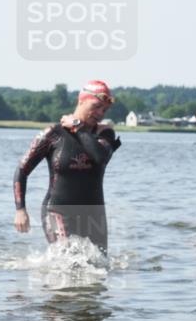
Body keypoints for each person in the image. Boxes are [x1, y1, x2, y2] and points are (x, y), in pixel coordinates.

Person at [13, 80, 121, 253]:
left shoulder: (104, 134)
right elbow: (22, 170)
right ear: (81, 101)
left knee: (99, 266)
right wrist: (20, 210)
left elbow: (99, 157)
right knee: (67, 260)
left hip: (94, 214)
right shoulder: (53, 134)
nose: (100, 113)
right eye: (96, 106)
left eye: (105, 110)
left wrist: (77, 127)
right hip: (57, 212)